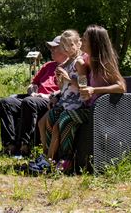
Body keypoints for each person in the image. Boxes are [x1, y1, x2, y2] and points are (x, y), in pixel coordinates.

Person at [30, 29, 89, 174]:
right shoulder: (67, 61)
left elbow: (83, 86)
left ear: (78, 44)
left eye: (70, 46)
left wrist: (67, 77)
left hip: (76, 104)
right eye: (64, 47)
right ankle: (46, 155)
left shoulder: (80, 62)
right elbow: (64, 87)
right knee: (42, 122)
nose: (67, 50)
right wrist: (58, 86)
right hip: (64, 101)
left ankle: (51, 160)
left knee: (57, 127)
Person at [0, 35, 64, 157]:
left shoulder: (69, 67)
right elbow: (33, 83)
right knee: (5, 102)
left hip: (50, 99)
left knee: (29, 102)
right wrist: (31, 89)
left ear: (64, 49)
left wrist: (45, 96)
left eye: (55, 48)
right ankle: (9, 146)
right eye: (51, 48)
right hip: (35, 97)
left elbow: (66, 91)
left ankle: (25, 146)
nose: (51, 50)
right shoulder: (48, 65)